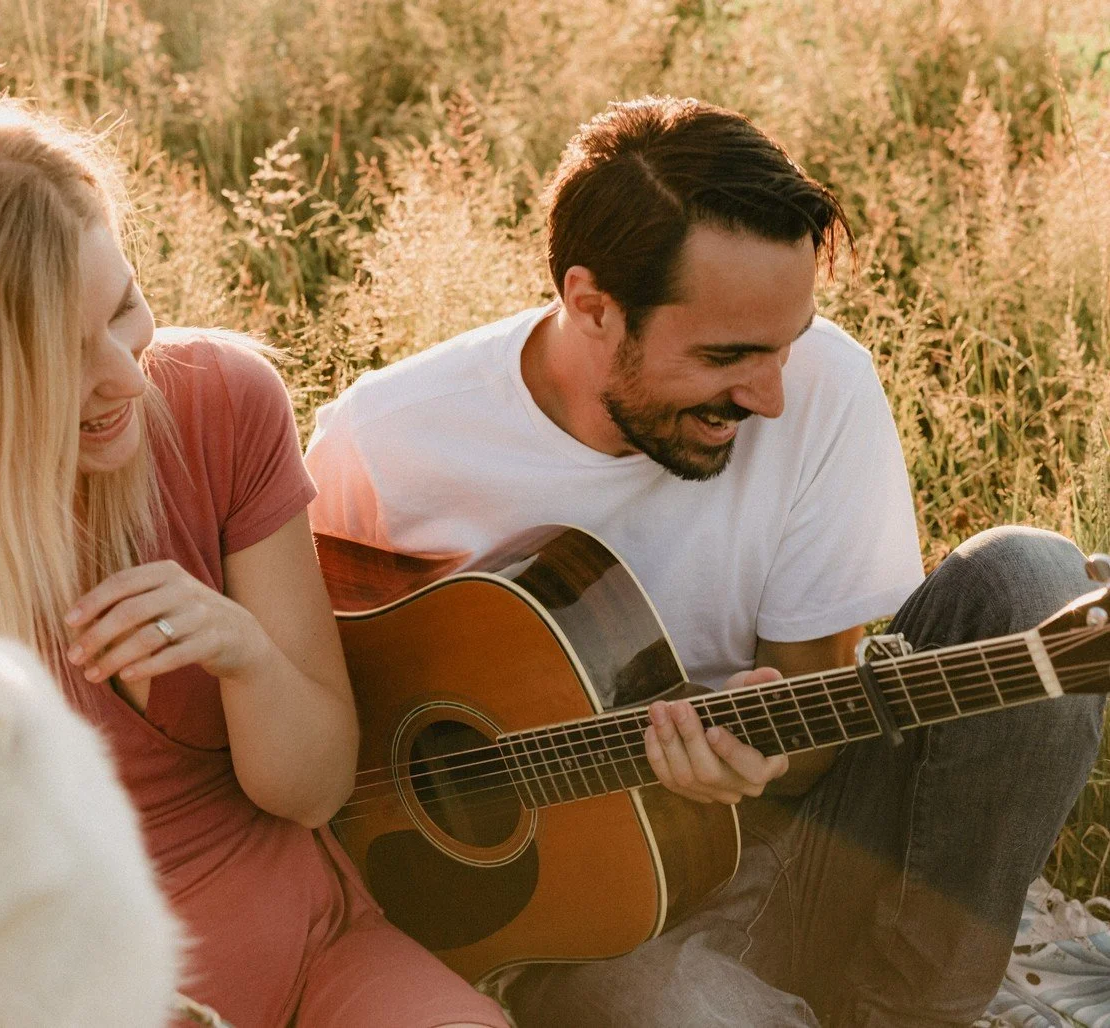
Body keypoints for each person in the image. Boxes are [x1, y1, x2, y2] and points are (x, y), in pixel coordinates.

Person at [305, 95, 1106, 1027]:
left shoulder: (823, 389)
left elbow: (813, 723)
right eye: (726, 355)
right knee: (682, 1011)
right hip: (572, 927)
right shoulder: (388, 439)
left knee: (1030, 578)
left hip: (789, 853)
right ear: (591, 305)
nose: (768, 396)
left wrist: (761, 764)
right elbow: (314, 686)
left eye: (785, 348)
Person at [0, 99, 509, 1028]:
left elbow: (315, 788)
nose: (128, 376)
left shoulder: (223, 402)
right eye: (56, 353)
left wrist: (242, 650)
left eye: (124, 307)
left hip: (317, 951)